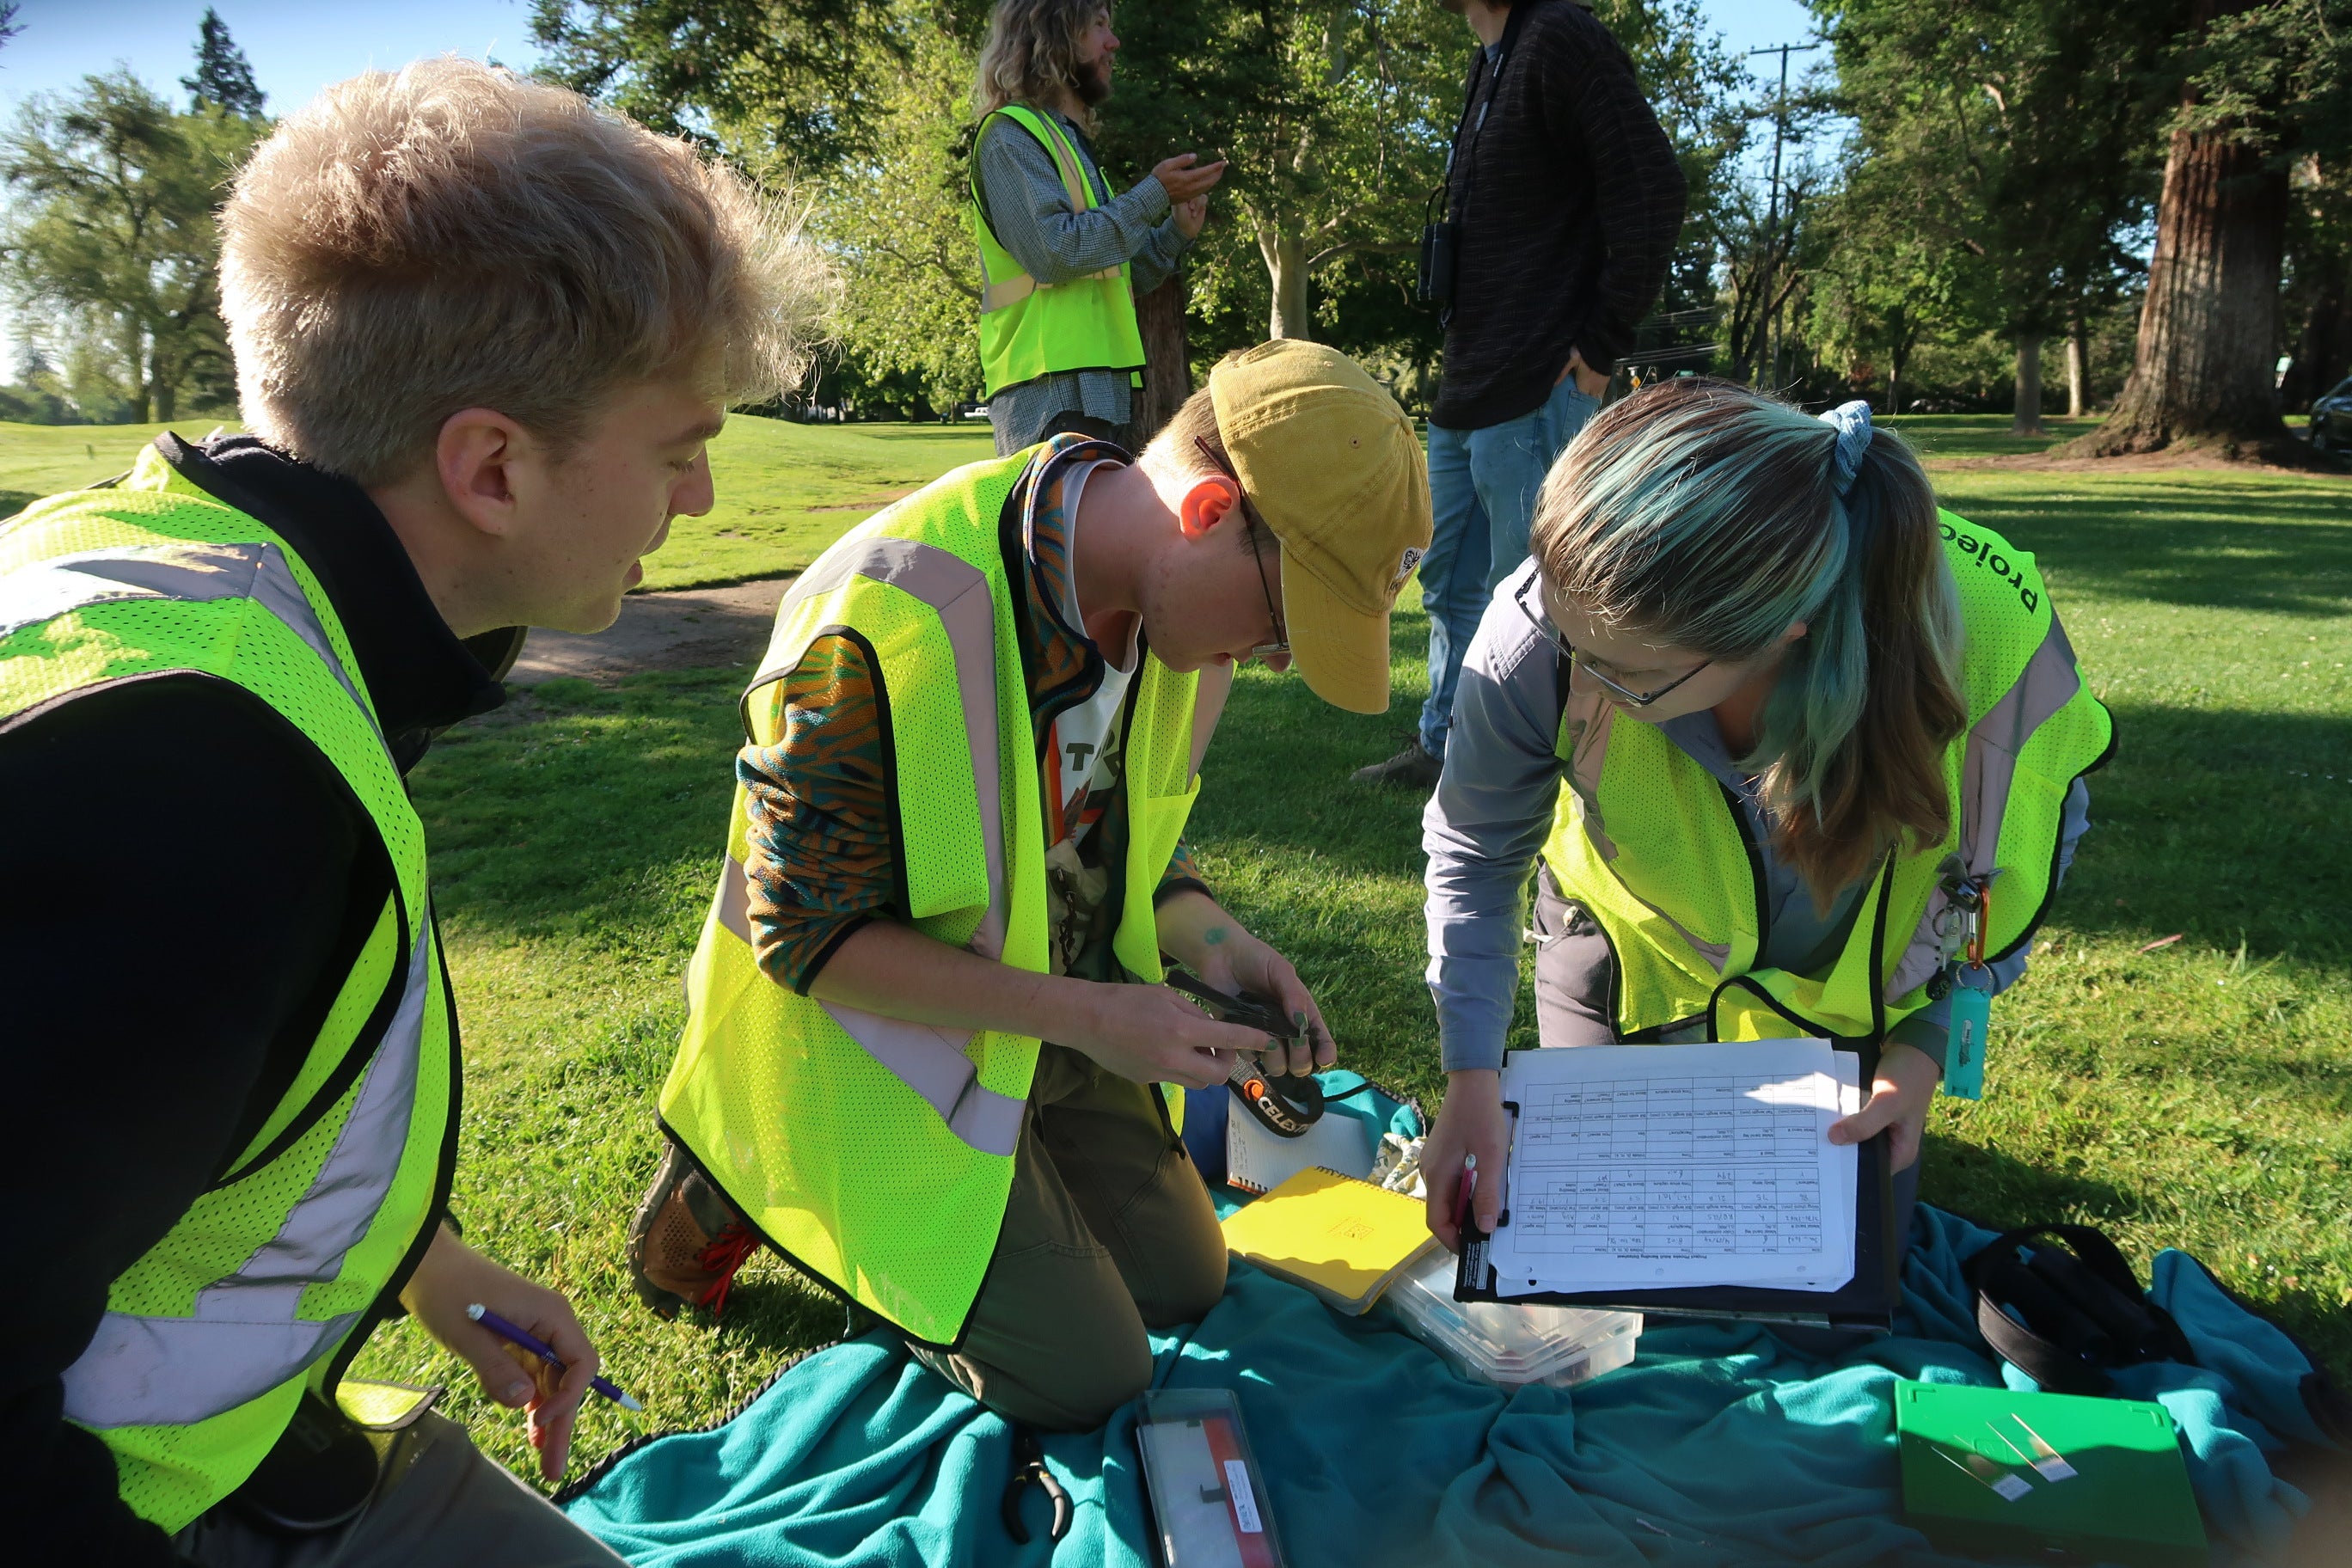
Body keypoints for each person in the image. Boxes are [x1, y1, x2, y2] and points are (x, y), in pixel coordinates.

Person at [1, 60, 822, 1568]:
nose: (699, 499)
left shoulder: (174, 562)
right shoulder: (203, 795)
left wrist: (423, 1262)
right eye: (678, 445)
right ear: (491, 465)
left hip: (247, 1441)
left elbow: (138, 1112)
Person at [627, 341, 1432, 1430]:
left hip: (1036, 1028)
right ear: (1204, 511)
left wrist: (1217, 946)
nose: (1280, 657)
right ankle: (736, 1169)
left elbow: (1121, 852)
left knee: (1185, 1282)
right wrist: (1091, 1018)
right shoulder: (886, 617)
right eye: (1284, 621)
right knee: (1093, 1376)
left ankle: (1014, 1158)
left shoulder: (1183, 637)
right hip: (857, 1059)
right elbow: (806, 939)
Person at [1415, 380, 2111, 1255]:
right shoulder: (1550, 624)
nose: (1574, 675)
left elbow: (2016, 862)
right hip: (1631, 957)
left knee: (1831, 1290)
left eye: (1622, 673)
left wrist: (1928, 1043)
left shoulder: (1994, 639)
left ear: (1782, 633)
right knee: (1596, 1259)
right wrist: (1472, 1074)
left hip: (1860, 1008)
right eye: (1567, 642)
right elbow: (1475, 849)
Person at [1354, 0, 1687, 789]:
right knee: (1449, 589)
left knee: (1534, 601)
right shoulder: (1495, 58)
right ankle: (1448, 747)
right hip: (1467, 386)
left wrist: (1603, 339)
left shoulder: (1559, 38)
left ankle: (1527, 767)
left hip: (1539, 387)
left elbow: (1653, 186)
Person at [969, 0, 1225, 455]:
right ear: (1056, 37)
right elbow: (1056, 254)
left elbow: (1119, 274)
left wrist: (1174, 232)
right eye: (1099, 26)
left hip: (1098, 397)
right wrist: (1152, 194)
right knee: (1056, 531)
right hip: (1046, 395)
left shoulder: (1070, 146)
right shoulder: (1009, 136)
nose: (1114, 42)